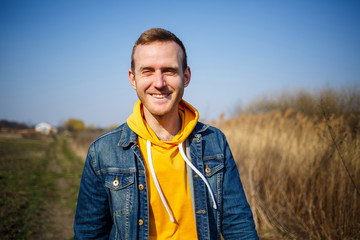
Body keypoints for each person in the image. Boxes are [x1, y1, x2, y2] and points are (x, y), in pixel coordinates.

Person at [74, 28, 258, 240]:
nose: (159, 83)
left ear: (186, 76)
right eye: (148, 71)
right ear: (132, 79)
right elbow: (89, 234)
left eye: (169, 70)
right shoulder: (103, 152)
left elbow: (239, 226)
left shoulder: (214, 142)